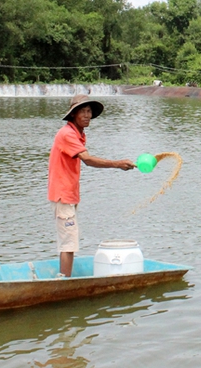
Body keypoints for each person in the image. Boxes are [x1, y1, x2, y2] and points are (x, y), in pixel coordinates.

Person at [48, 94, 136, 277]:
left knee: (70, 240)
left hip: (69, 194)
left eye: (89, 112)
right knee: (69, 242)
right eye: (83, 111)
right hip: (62, 195)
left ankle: (65, 278)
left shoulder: (78, 134)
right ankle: (64, 281)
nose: (87, 115)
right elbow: (87, 159)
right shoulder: (68, 134)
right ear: (73, 114)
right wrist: (117, 164)